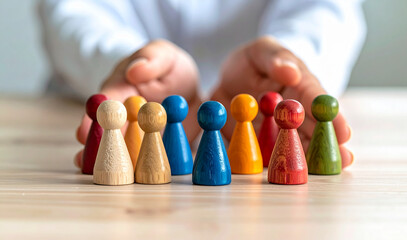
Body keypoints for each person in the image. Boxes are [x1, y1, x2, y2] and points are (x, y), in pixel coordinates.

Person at [39, 0, 366, 169]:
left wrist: (293, 57)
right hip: (88, 101)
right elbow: (73, 9)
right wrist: (124, 61)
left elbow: (326, 8)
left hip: (267, 94)